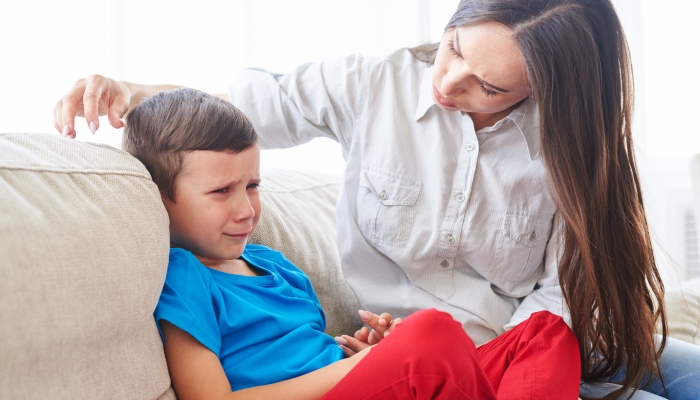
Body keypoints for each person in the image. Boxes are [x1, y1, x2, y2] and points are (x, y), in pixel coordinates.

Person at [54, 0, 700, 398]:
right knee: (439, 339)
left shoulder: (565, 149)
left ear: (547, 93)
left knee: (569, 345)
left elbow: (557, 305)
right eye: (452, 49)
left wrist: (365, 351)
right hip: (423, 354)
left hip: (497, 353)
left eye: (488, 85)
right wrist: (132, 91)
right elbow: (225, 122)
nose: (445, 85)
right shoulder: (375, 83)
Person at [121, 87, 581, 399]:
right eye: (221, 192)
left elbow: (306, 351)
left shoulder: (274, 265)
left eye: (253, 185)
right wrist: (362, 367)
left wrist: (366, 351)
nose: (246, 210)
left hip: (348, 384)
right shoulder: (184, 275)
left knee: (545, 332)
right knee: (433, 333)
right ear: (160, 198)